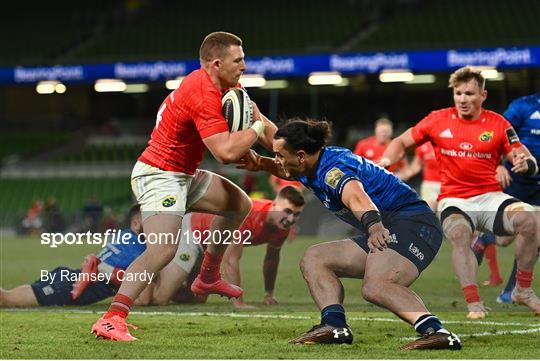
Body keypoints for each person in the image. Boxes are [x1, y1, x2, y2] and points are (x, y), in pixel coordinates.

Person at [90, 31, 278, 341]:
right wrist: (256, 131)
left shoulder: (227, 85)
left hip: (184, 174)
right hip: (158, 175)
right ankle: (112, 319)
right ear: (216, 63)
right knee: (164, 248)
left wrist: (286, 151)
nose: (244, 65)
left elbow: (263, 122)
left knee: (238, 204)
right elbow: (226, 152)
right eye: (239, 60)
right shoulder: (202, 92)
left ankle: (207, 276)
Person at [237, 119, 461, 350]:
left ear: (301, 155)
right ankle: (334, 325)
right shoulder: (308, 164)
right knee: (315, 258)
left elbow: (356, 196)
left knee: (376, 286)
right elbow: (271, 136)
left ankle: (437, 331)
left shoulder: (331, 171)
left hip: (413, 223)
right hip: (390, 224)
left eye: (280, 156)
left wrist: (374, 227)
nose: (278, 160)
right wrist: (261, 161)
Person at [380, 66, 539, 319]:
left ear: (483, 95)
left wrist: (526, 163)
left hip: (490, 197)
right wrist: (387, 160)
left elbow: (522, 154)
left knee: (530, 222)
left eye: (470, 94)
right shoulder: (437, 120)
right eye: (458, 93)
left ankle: (523, 290)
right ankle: (474, 302)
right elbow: (401, 141)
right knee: (460, 233)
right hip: (454, 200)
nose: (463, 99)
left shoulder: (499, 123)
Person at [146, 186, 305, 308]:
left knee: (195, 299)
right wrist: (239, 303)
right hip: (192, 233)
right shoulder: (250, 213)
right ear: (274, 204)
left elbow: (271, 258)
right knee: (159, 299)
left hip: (209, 248)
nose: (291, 219)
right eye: (287, 211)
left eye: (296, 214)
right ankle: (138, 280)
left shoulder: (282, 227)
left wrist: (268, 293)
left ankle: (166, 279)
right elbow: (230, 260)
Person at [0, 205, 144, 307]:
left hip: (68, 278)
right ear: (136, 223)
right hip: (68, 286)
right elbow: (144, 298)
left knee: (10, 296)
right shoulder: (137, 248)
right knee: (7, 299)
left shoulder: (125, 235)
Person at [476, 92, 540, 303]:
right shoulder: (523, 106)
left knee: (536, 236)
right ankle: (485, 238)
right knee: (504, 239)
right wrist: (497, 166)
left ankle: (513, 290)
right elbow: (495, 135)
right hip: (517, 180)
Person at [401, 142, 441, 211]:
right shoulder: (423, 145)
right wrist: (400, 177)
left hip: (447, 185)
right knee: (429, 212)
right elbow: (416, 166)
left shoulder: (448, 141)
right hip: (429, 185)